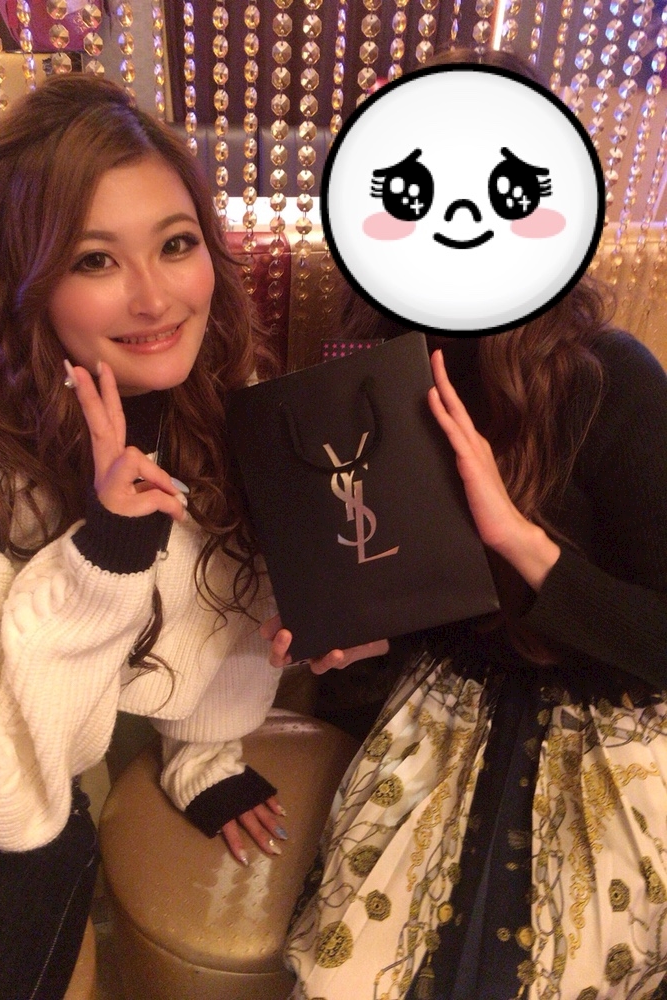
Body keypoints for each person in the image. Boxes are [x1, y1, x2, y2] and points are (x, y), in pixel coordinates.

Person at [273, 49, 667, 1000]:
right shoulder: (375, 375)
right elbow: (414, 613)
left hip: (610, 720)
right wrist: (355, 636)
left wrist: (519, 538)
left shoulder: (612, 376)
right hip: (443, 713)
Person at [0, 72, 290, 1000]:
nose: (155, 299)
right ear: (25, 283)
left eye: (176, 244)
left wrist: (313, 615)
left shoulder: (225, 412)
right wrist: (104, 556)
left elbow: (212, 610)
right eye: (95, 260)